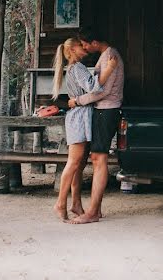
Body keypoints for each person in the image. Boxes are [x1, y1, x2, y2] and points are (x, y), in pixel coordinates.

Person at [66, 31, 124, 224]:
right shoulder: (104, 56)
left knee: (99, 158)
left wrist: (77, 101)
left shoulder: (110, 57)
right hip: (101, 111)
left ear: (94, 42)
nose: (85, 48)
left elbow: (101, 92)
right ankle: (93, 209)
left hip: (106, 110)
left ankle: (92, 212)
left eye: (86, 44)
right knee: (95, 158)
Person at [51, 37, 101, 221]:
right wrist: (106, 71)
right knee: (74, 162)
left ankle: (76, 204)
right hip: (80, 116)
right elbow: (93, 88)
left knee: (78, 165)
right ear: (72, 49)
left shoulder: (73, 67)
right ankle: (60, 202)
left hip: (81, 116)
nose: (85, 47)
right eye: (81, 45)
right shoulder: (77, 67)